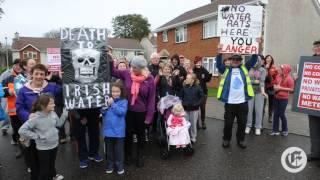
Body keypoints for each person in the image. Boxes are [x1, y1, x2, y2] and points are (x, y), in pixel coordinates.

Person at [16, 64, 62, 179]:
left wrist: (59, 77)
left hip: (47, 129)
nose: (39, 76)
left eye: (42, 74)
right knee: (34, 158)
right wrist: (28, 115)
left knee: (49, 156)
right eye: (36, 73)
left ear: (45, 75)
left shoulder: (50, 87)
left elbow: (64, 89)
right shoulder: (23, 90)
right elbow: (19, 107)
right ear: (32, 74)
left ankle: (52, 174)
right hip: (33, 128)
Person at [111, 55, 155, 167]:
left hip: (142, 112)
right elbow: (113, 71)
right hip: (128, 111)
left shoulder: (149, 79)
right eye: (132, 66)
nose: (132, 69)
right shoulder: (127, 73)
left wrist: (149, 117)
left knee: (141, 135)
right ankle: (128, 155)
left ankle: (140, 156)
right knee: (128, 134)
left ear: (142, 68)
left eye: (135, 68)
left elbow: (151, 99)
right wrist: (110, 58)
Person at [216, 44, 258, 149]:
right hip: (229, 103)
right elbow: (218, 64)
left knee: (242, 123)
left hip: (242, 102)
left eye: (238, 59)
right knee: (228, 123)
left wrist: (256, 46)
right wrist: (219, 52)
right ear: (230, 60)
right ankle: (226, 139)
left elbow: (253, 60)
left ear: (240, 61)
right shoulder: (225, 69)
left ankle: (241, 140)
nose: (235, 61)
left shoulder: (245, 68)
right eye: (233, 59)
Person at [19, 94, 67, 180]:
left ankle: (53, 175)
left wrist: (64, 114)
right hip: (43, 148)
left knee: (52, 164)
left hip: (54, 144)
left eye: (54, 103)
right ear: (43, 105)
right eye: (51, 103)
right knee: (44, 170)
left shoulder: (53, 113)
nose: (54, 105)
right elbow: (22, 130)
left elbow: (58, 124)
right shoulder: (35, 118)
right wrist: (38, 136)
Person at [102, 81, 128, 175]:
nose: (115, 93)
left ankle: (119, 166)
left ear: (121, 92)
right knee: (109, 151)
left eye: (117, 91)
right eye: (113, 91)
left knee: (119, 151)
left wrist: (113, 104)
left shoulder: (124, 101)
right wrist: (105, 107)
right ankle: (110, 165)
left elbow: (122, 112)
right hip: (108, 131)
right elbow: (102, 113)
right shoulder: (107, 100)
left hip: (119, 131)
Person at [2, 59, 24, 157]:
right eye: (17, 65)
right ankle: (21, 149)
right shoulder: (7, 79)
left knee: (27, 130)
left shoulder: (27, 77)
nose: (19, 67)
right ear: (13, 65)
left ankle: (29, 150)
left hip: (26, 109)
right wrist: (8, 93)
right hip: (14, 111)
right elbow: (2, 93)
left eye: (21, 65)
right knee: (17, 131)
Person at [245, 55, 267, 135]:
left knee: (259, 110)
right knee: (249, 110)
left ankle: (258, 127)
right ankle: (248, 126)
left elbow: (262, 82)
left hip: (259, 93)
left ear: (259, 61)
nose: (255, 63)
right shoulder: (249, 69)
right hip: (250, 92)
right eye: (253, 61)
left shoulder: (262, 70)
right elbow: (246, 81)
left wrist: (263, 91)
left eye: (256, 61)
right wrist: (254, 81)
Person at [269, 64, 294, 136]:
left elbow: (292, 89)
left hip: (284, 99)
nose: (279, 70)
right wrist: (275, 87)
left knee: (281, 114)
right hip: (276, 97)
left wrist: (280, 88)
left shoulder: (289, 78)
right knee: (275, 114)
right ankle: (275, 130)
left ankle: (285, 130)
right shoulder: (278, 76)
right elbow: (274, 83)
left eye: (281, 69)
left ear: (285, 70)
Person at [180, 73, 204, 143]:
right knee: (186, 124)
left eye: (188, 78)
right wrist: (182, 103)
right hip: (186, 109)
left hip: (194, 110)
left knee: (193, 124)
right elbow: (181, 96)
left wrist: (197, 104)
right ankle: (186, 137)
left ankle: (193, 137)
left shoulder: (198, 87)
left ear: (192, 80)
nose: (186, 79)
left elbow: (202, 97)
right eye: (186, 78)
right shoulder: (184, 87)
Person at [308, 39, 320, 163]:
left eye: (318, 46)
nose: (316, 48)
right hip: (312, 102)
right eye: (315, 46)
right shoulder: (310, 60)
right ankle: (315, 153)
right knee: (314, 129)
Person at [193, 56, 211, 129]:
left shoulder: (204, 70)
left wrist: (209, 76)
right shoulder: (193, 71)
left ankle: (203, 122)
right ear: (195, 63)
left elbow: (207, 80)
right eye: (197, 63)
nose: (198, 64)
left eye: (199, 62)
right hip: (195, 93)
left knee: (202, 108)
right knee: (196, 108)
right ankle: (197, 123)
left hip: (203, 92)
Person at [264, 55, 277, 123]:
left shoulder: (274, 68)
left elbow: (276, 78)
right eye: (267, 58)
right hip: (263, 87)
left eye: (270, 58)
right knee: (262, 102)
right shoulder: (261, 66)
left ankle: (270, 116)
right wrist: (266, 69)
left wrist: (274, 83)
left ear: (272, 60)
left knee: (271, 103)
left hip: (271, 87)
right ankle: (261, 115)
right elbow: (259, 76)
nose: (268, 59)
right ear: (265, 59)